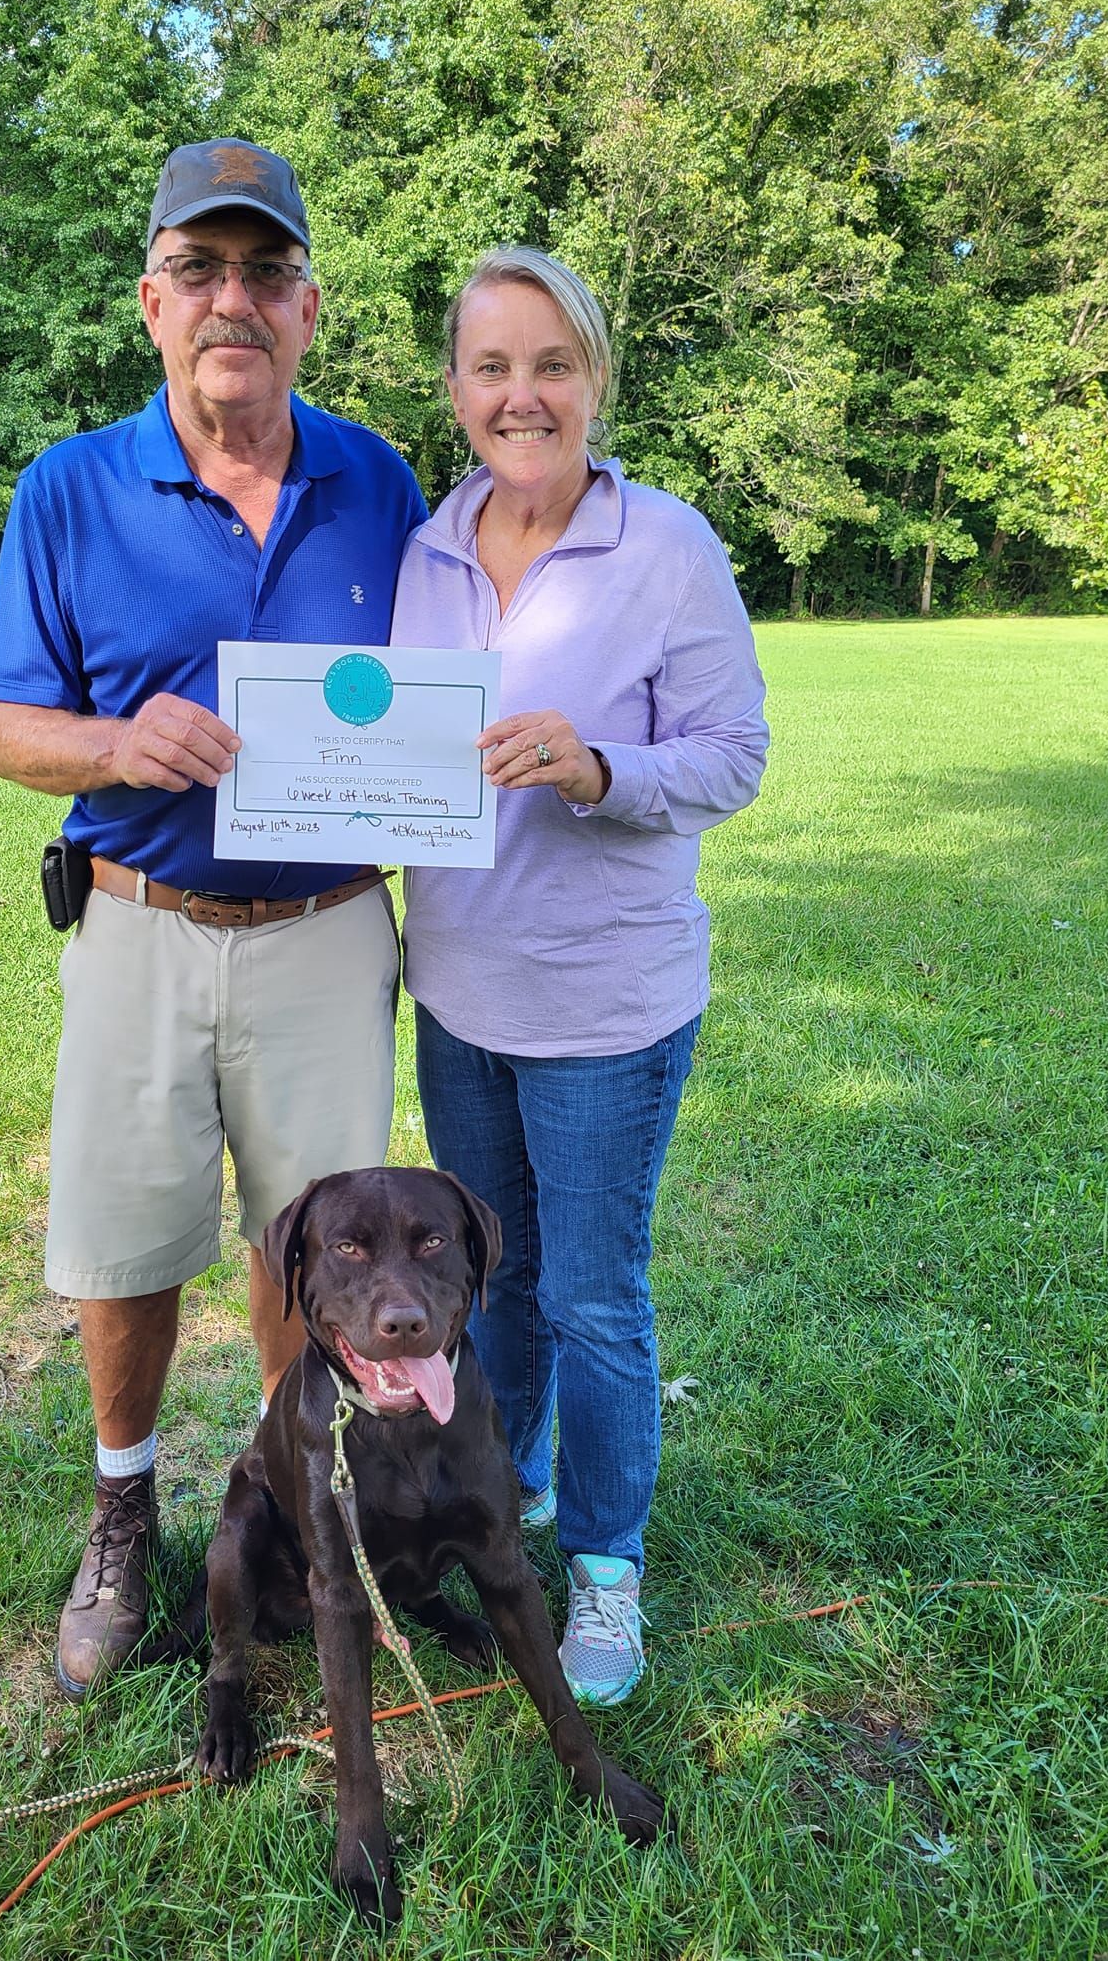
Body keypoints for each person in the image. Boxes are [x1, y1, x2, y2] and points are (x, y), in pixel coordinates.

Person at [0, 140, 425, 1700]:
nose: (233, 301)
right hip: (139, 917)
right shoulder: (70, 488)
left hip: (324, 930)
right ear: (152, 302)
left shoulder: (379, 480)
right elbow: (1, 727)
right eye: (201, 273)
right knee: (125, 1241)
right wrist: (113, 745)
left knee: (316, 1249)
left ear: (309, 307)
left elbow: (437, 691)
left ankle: (299, 1501)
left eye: (264, 274)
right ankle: (122, 1511)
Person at [391, 247, 768, 1706]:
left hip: (608, 1003)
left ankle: (607, 1570)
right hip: (460, 993)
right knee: (493, 1277)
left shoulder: (667, 546)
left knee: (597, 1295)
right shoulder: (429, 551)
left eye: (552, 364)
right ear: (456, 390)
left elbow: (736, 756)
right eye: (492, 367)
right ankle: (518, 1484)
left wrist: (604, 768)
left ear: (596, 380)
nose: (522, 394)